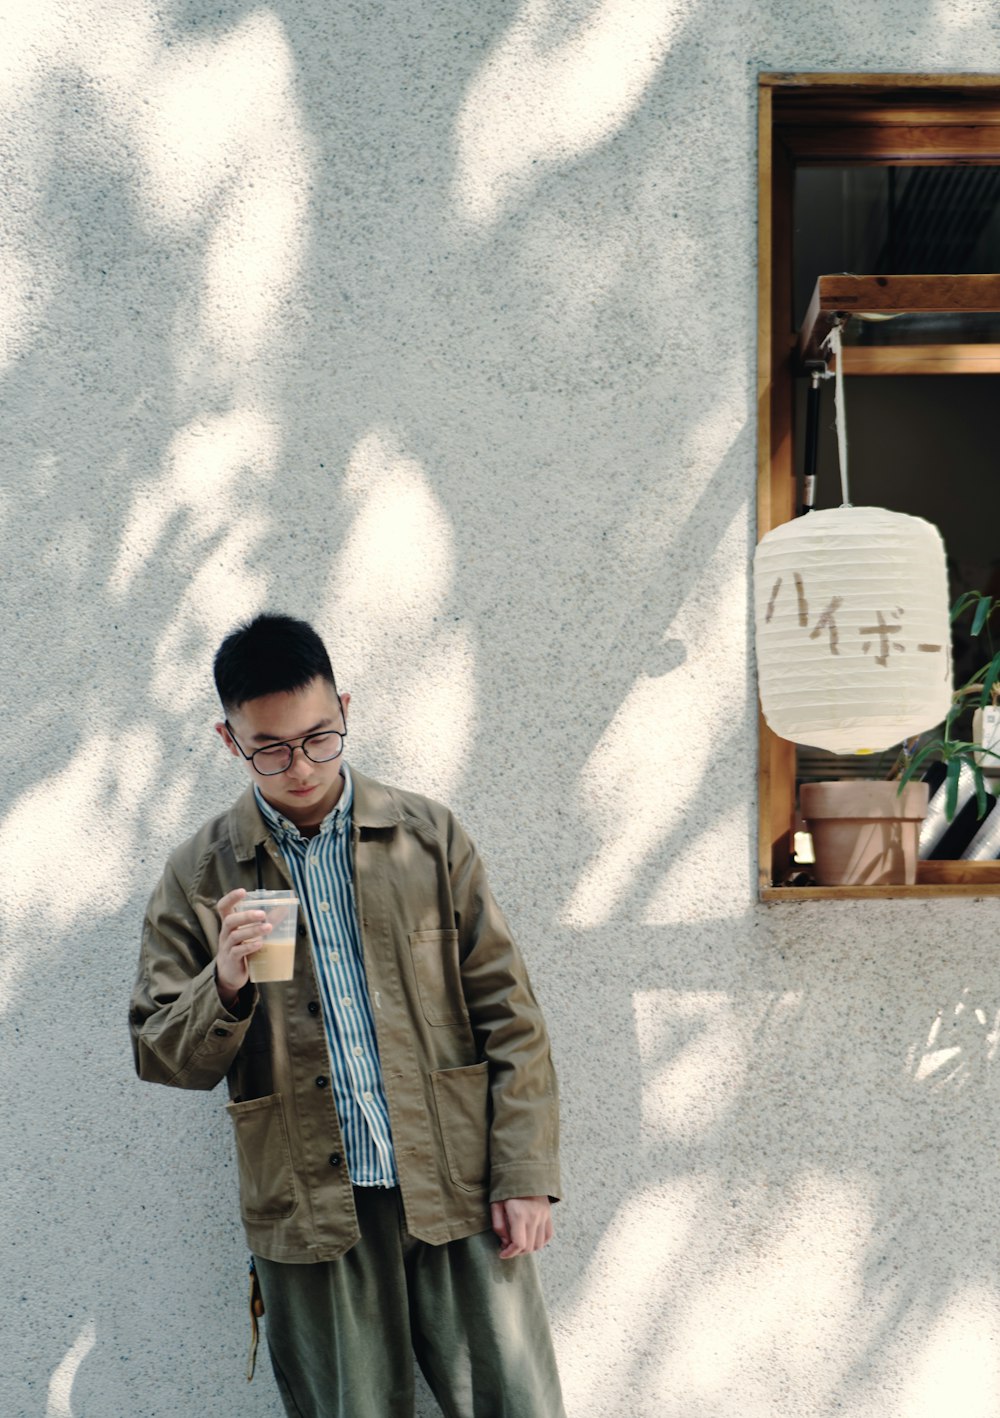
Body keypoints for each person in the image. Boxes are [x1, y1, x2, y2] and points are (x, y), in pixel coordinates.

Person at [129, 612, 565, 1418]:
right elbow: (161, 1052)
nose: (300, 766)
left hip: (460, 1185)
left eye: (319, 737)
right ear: (231, 742)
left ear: (346, 710)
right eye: (271, 748)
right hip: (309, 1208)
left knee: (517, 1404)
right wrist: (222, 982)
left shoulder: (427, 838)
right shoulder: (200, 870)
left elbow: (509, 1012)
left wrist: (526, 1173)